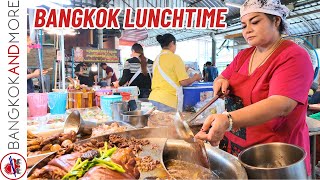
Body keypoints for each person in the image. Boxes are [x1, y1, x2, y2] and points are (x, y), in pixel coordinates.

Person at [195, 0, 313, 176]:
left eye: (255, 22)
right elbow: (224, 76)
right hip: (235, 152)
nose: (247, 30)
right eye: (243, 25)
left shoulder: (294, 55)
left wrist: (228, 119)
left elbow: (281, 104)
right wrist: (220, 81)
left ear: (276, 20)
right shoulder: (244, 55)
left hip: (272, 159)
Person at [148, 33, 201, 112]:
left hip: (153, 99)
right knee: (169, 124)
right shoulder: (175, 58)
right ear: (172, 43)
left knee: (155, 123)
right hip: (168, 101)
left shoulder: (157, 58)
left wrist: (184, 70)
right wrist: (195, 77)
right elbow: (184, 82)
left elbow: (168, 74)